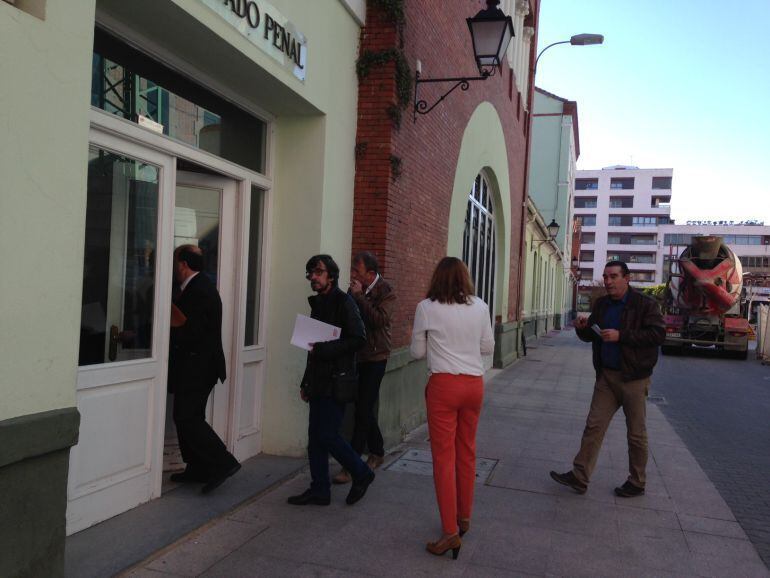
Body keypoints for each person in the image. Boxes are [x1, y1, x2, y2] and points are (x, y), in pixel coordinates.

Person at [550, 260, 665, 498]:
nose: (608, 281)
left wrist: (622, 335)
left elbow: (657, 335)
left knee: (635, 433)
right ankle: (579, 476)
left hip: (634, 378)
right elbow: (593, 335)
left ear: (627, 278)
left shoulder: (645, 305)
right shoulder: (602, 304)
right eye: (605, 276)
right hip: (607, 377)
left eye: (613, 276)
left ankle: (637, 481)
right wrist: (582, 328)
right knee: (593, 426)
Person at [410, 257, 495, 560]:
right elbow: (487, 348)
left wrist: (434, 342)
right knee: (467, 451)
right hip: (474, 384)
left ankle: (449, 533)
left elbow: (417, 351)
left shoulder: (426, 307)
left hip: (443, 385)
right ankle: (464, 518)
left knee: (443, 458)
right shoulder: (481, 306)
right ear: (465, 278)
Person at [287, 255, 376, 506]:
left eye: (318, 272)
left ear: (331, 276)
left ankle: (361, 472)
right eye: (310, 273)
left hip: (337, 381)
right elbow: (311, 347)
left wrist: (327, 349)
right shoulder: (319, 303)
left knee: (327, 435)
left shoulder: (344, 302)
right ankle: (319, 490)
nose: (313, 277)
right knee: (315, 438)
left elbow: (359, 338)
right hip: (318, 380)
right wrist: (306, 382)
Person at [168, 245, 241, 494]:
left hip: (199, 365)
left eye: (175, 261)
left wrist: (171, 326)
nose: (173, 266)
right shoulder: (195, 288)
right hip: (195, 364)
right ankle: (197, 467)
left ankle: (223, 462)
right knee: (185, 416)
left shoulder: (200, 290)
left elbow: (194, 331)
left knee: (188, 417)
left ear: (184, 265)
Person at [333, 251, 396, 484]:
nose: (353, 276)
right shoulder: (354, 290)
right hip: (357, 356)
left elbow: (378, 320)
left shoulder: (387, 292)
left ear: (370, 274)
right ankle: (377, 451)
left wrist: (359, 297)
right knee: (362, 406)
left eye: (356, 271)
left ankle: (351, 466)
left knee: (362, 411)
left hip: (377, 357)